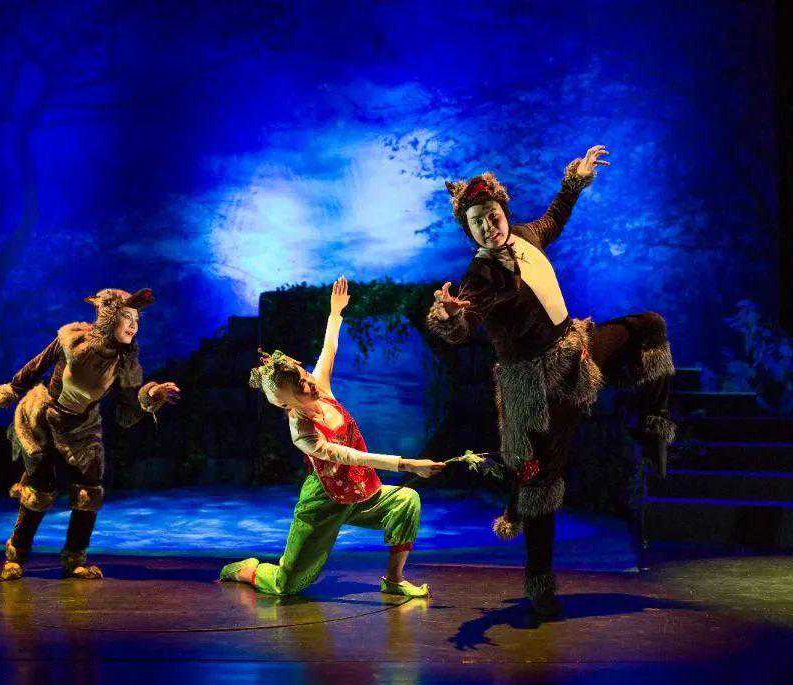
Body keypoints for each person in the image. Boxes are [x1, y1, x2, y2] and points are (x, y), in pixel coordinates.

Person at [427, 146, 676, 617]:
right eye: (477, 222)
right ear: (469, 229)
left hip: (574, 350)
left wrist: (575, 180)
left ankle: (653, 428)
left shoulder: (526, 235)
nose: (489, 225)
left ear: (504, 212)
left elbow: (555, 216)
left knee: (649, 327)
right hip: (534, 388)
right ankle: (539, 584)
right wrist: (449, 315)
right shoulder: (481, 274)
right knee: (540, 483)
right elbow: (465, 325)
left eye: (493, 215)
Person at [224, 276, 444, 597]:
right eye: (300, 386)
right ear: (286, 403)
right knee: (288, 585)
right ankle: (246, 570)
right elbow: (348, 455)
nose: (309, 383)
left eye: (304, 375)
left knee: (406, 501)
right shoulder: (302, 432)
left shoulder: (320, 386)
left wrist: (335, 312)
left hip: (360, 490)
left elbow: (329, 348)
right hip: (323, 501)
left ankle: (394, 580)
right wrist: (407, 464)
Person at [0, 288, 181, 580]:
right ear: (110, 317)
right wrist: (6, 392)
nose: (133, 325)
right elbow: (35, 367)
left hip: (83, 428)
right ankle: (15, 555)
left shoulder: (124, 361)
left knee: (89, 492)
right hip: (45, 419)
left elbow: (126, 412)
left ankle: (74, 559)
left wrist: (152, 395)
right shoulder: (72, 340)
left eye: (136, 319)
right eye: (126, 317)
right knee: (38, 491)